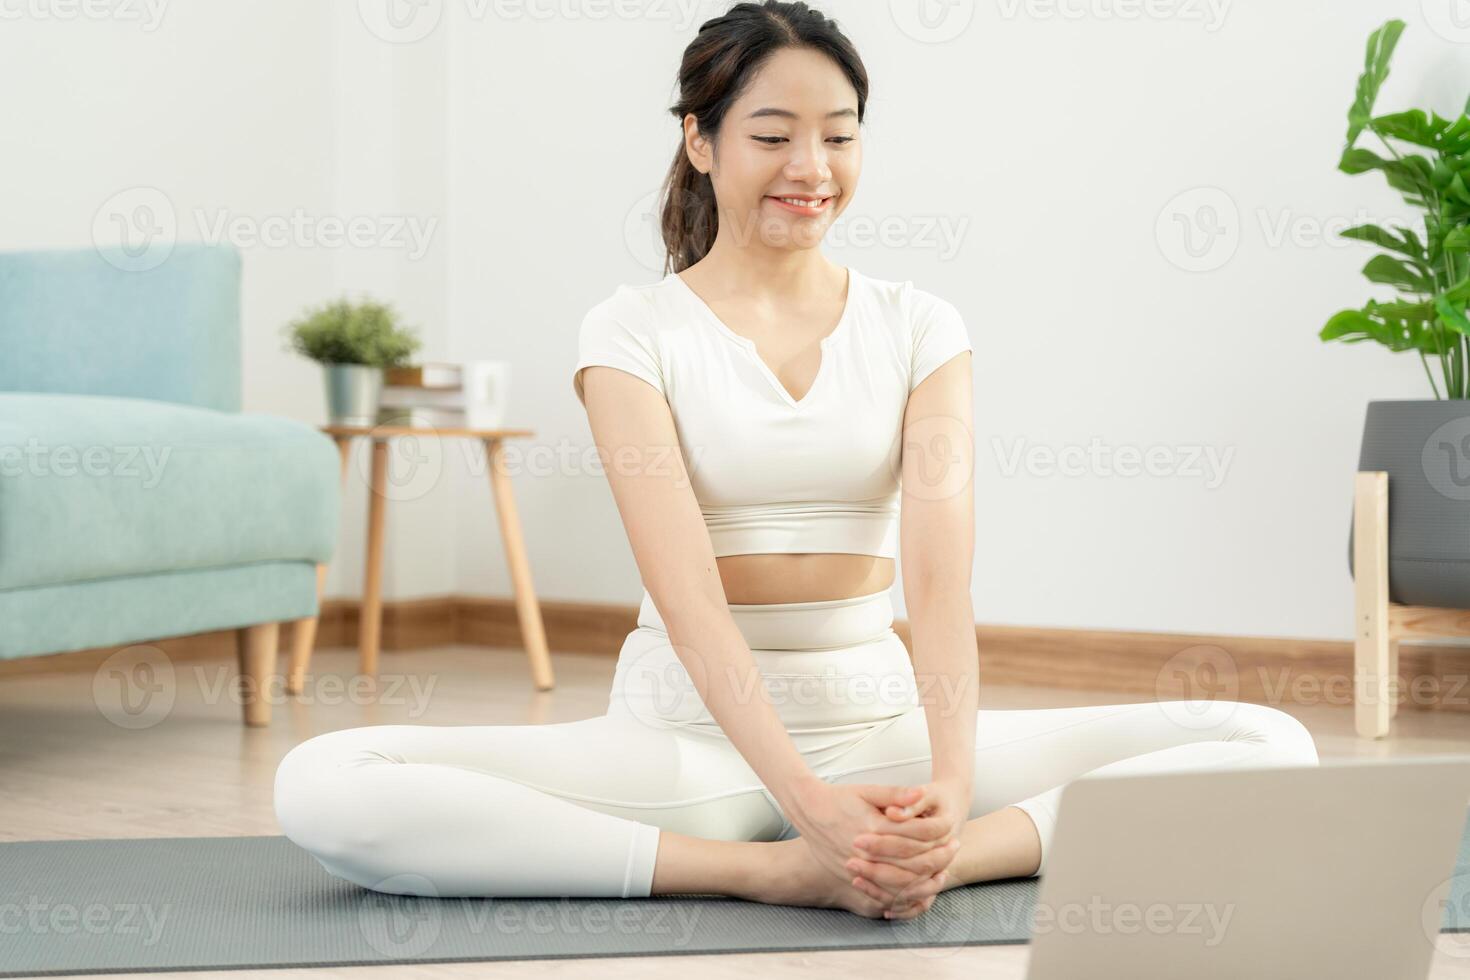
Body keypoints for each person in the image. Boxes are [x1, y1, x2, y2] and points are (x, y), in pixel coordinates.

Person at [273, 0, 1319, 922]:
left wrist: (948, 793)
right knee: (324, 782)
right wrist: (807, 818)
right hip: (685, 739)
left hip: (882, 732)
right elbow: (690, 604)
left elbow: (942, 583)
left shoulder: (920, 325)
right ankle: (759, 872)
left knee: (1267, 742)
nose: (811, 169)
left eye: (839, 136)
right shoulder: (632, 330)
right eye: (772, 135)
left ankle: (942, 865)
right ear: (699, 140)